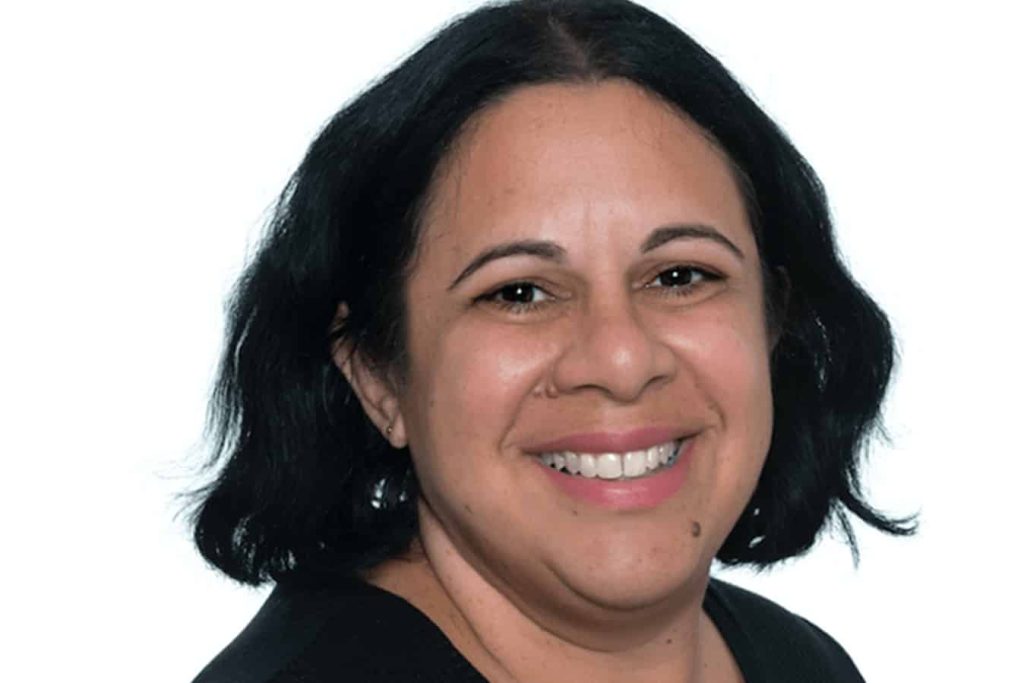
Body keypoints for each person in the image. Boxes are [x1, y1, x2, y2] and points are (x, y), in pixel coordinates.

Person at [189, 1, 913, 680]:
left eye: (680, 276)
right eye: (519, 292)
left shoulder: (799, 661)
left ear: (773, 320)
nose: (621, 361)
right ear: (377, 374)